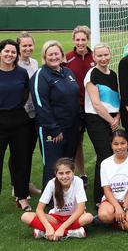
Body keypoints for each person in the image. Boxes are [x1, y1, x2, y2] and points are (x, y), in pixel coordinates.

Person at [31, 40, 80, 188]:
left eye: (56, 53)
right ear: (44, 56)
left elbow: (74, 97)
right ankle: (51, 203)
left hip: (71, 128)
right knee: (53, 167)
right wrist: (54, 129)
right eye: (50, 54)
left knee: (67, 166)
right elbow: (41, 105)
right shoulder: (41, 75)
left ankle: (67, 200)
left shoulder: (68, 72)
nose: (54, 57)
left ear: (62, 55)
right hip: (52, 131)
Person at [84, 43, 120, 207]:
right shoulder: (91, 75)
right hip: (97, 119)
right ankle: (99, 199)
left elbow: (116, 99)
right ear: (94, 57)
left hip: (112, 119)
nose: (103, 58)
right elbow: (96, 104)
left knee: (112, 155)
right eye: (100, 56)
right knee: (104, 156)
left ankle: (112, 193)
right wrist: (111, 120)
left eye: (106, 55)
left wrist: (117, 116)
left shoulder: (112, 74)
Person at [21, 158, 92, 240]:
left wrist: (62, 228)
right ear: (56, 174)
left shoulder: (78, 181)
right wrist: (48, 227)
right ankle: (71, 232)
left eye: (68, 172)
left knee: (88, 217)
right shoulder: (52, 183)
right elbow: (39, 210)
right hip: (56, 217)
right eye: (61, 173)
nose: (64, 176)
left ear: (73, 172)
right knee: (25, 216)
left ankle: (43, 232)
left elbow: (80, 209)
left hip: (74, 217)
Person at [0, 39, 32, 211]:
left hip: (19, 121)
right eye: (6, 51)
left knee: (21, 160)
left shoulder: (21, 73)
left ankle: (22, 197)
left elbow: (25, 93)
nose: (9, 55)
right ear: (0, 52)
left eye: (13, 52)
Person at [65, 25, 94, 188]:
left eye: (83, 39)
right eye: (78, 39)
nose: (81, 42)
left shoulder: (94, 57)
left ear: (87, 40)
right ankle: (81, 174)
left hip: (93, 107)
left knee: (100, 140)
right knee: (77, 142)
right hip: (75, 107)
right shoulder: (66, 58)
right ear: (73, 40)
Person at [97, 130, 128, 232]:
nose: (119, 147)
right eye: (116, 144)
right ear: (111, 145)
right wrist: (118, 207)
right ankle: (118, 218)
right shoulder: (105, 163)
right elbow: (107, 190)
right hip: (111, 201)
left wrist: (124, 208)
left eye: (123, 143)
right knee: (104, 216)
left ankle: (117, 221)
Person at [16, 32, 42, 198]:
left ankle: (26, 183)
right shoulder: (14, 64)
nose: (27, 48)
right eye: (24, 45)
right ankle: (17, 185)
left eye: (30, 45)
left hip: (34, 113)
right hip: (19, 114)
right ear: (19, 47)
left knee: (29, 151)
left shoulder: (34, 62)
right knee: (19, 152)